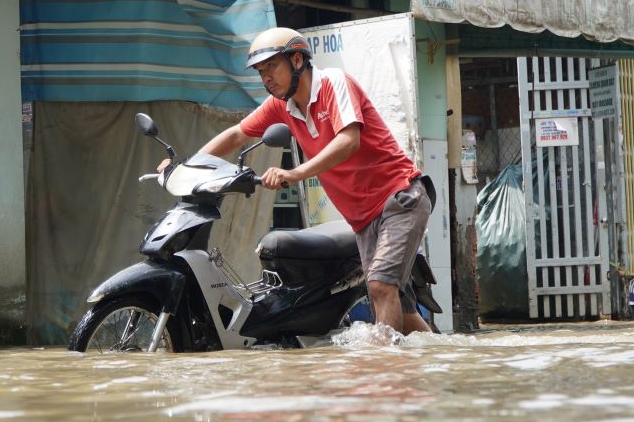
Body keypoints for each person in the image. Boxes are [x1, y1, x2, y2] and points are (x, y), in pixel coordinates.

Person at [161, 27, 435, 335]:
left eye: (272, 68)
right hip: (363, 217)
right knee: (400, 308)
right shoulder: (282, 106)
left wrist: (295, 173)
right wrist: (187, 166)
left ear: (297, 60)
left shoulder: (333, 84)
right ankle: (441, 362)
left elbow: (349, 141)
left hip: (399, 197)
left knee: (380, 287)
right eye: (261, 72)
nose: (266, 78)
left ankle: (384, 376)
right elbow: (238, 134)